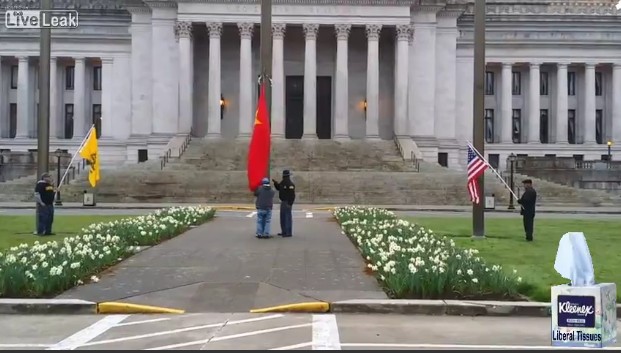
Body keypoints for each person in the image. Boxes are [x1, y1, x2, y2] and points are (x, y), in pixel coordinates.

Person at [273, 169, 295, 237]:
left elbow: (292, 195)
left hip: (287, 202)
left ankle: (288, 232)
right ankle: (284, 231)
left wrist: (290, 203)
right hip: (283, 201)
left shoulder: (290, 184)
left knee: (287, 217)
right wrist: (275, 183)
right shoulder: (283, 183)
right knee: (283, 217)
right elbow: (279, 188)